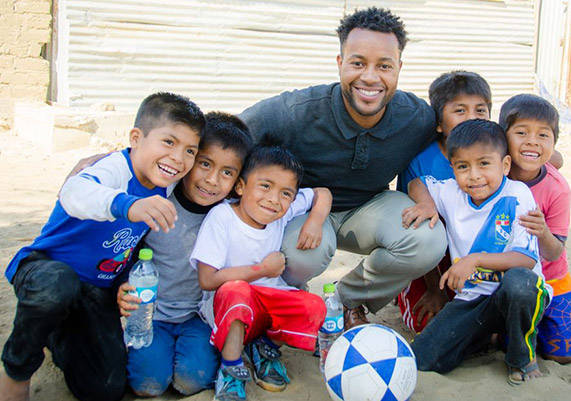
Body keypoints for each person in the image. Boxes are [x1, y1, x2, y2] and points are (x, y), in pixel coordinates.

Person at [239, 6, 447, 330]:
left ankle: (346, 300)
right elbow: (231, 133)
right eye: (358, 63)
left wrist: (542, 158)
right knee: (302, 255)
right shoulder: (297, 111)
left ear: (399, 69)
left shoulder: (416, 116)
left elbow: (468, 138)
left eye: (384, 66)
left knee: (428, 239)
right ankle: (292, 302)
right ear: (340, 64)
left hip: (371, 207)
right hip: (306, 211)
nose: (370, 77)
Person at [0, 92, 204, 401]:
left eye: (190, 150)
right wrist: (126, 205)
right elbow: (74, 192)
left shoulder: (168, 182)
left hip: (96, 289)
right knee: (57, 286)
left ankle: (57, 333)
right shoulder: (114, 169)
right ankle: (17, 369)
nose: (179, 158)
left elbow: (131, 245)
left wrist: (123, 283)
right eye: (169, 142)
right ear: (136, 137)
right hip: (46, 271)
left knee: (103, 389)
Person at [403, 119, 550, 385]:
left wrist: (475, 259)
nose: (474, 175)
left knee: (519, 284)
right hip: (472, 298)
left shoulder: (518, 194)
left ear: (504, 165)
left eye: (484, 163)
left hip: (515, 294)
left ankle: (522, 356)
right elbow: (416, 183)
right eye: (463, 167)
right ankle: (484, 335)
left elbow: (526, 260)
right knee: (424, 358)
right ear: (453, 169)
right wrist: (426, 203)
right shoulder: (451, 192)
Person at [117, 112, 253, 396]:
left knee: (190, 380)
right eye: (204, 164)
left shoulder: (232, 214)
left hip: (198, 317)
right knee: (148, 384)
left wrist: (321, 198)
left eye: (227, 172)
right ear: (188, 159)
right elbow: (124, 253)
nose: (212, 180)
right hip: (151, 313)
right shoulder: (156, 202)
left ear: (239, 179)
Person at [190, 145, 331, 401]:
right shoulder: (222, 217)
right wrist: (262, 270)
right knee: (236, 290)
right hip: (227, 307)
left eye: (286, 193)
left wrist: (315, 221)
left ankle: (264, 347)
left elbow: (322, 193)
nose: (274, 199)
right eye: (265, 186)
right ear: (241, 186)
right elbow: (208, 279)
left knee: (313, 305)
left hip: (265, 306)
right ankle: (231, 367)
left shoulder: (280, 213)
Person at [397, 70, 492, 332]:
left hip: (480, 254)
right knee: (427, 325)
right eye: (460, 111)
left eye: (480, 111)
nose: (471, 118)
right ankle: (405, 290)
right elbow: (418, 229)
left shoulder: (496, 152)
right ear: (439, 123)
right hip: (433, 258)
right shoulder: (420, 161)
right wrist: (433, 288)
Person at [500, 94, 571, 364]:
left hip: (552, 278)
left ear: (554, 143)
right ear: (504, 138)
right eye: (521, 132)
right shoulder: (494, 177)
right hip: (510, 279)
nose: (532, 141)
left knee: (563, 355)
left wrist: (543, 231)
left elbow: (555, 251)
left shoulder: (558, 188)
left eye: (543, 135)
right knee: (501, 342)